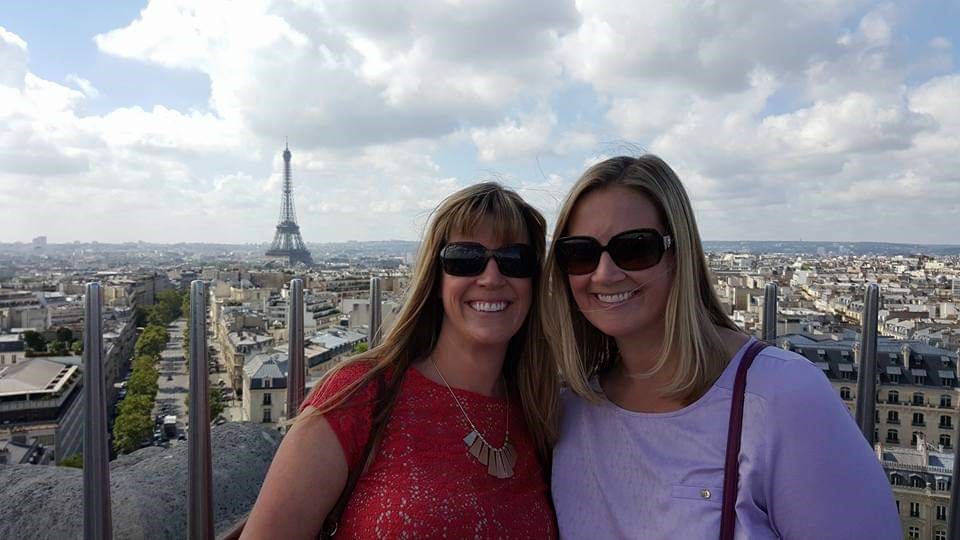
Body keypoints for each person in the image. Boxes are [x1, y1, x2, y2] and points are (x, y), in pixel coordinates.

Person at [545, 155, 901, 539]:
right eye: (580, 253)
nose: (604, 273)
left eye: (634, 248)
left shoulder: (782, 398)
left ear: (680, 254)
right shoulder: (569, 407)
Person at [242, 182, 558, 538]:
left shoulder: (539, 411)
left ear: (534, 279)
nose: (491, 277)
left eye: (515, 260)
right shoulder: (359, 395)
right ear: (436, 278)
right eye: (464, 259)